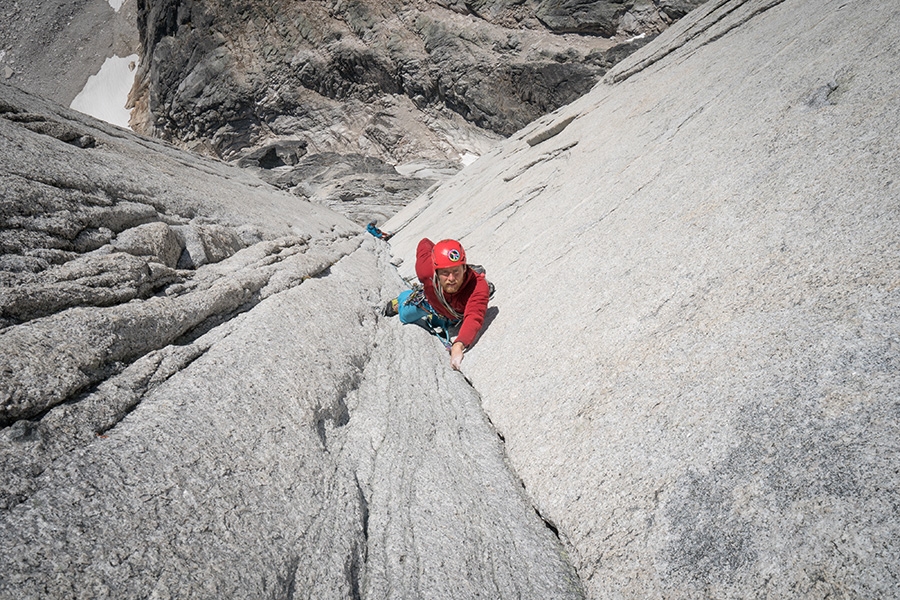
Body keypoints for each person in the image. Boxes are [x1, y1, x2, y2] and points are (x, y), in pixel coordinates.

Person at [385, 238, 490, 370]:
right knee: (405, 316)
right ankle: (402, 299)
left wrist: (459, 344)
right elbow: (424, 242)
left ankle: (435, 317)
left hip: (452, 314)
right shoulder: (425, 270)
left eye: (456, 271)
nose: (451, 278)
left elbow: (474, 316)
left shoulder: (478, 286)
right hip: (430, 303)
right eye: (445, 272)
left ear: (464, 267)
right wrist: (440, 254)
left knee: (440, 321)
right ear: (436, 271)